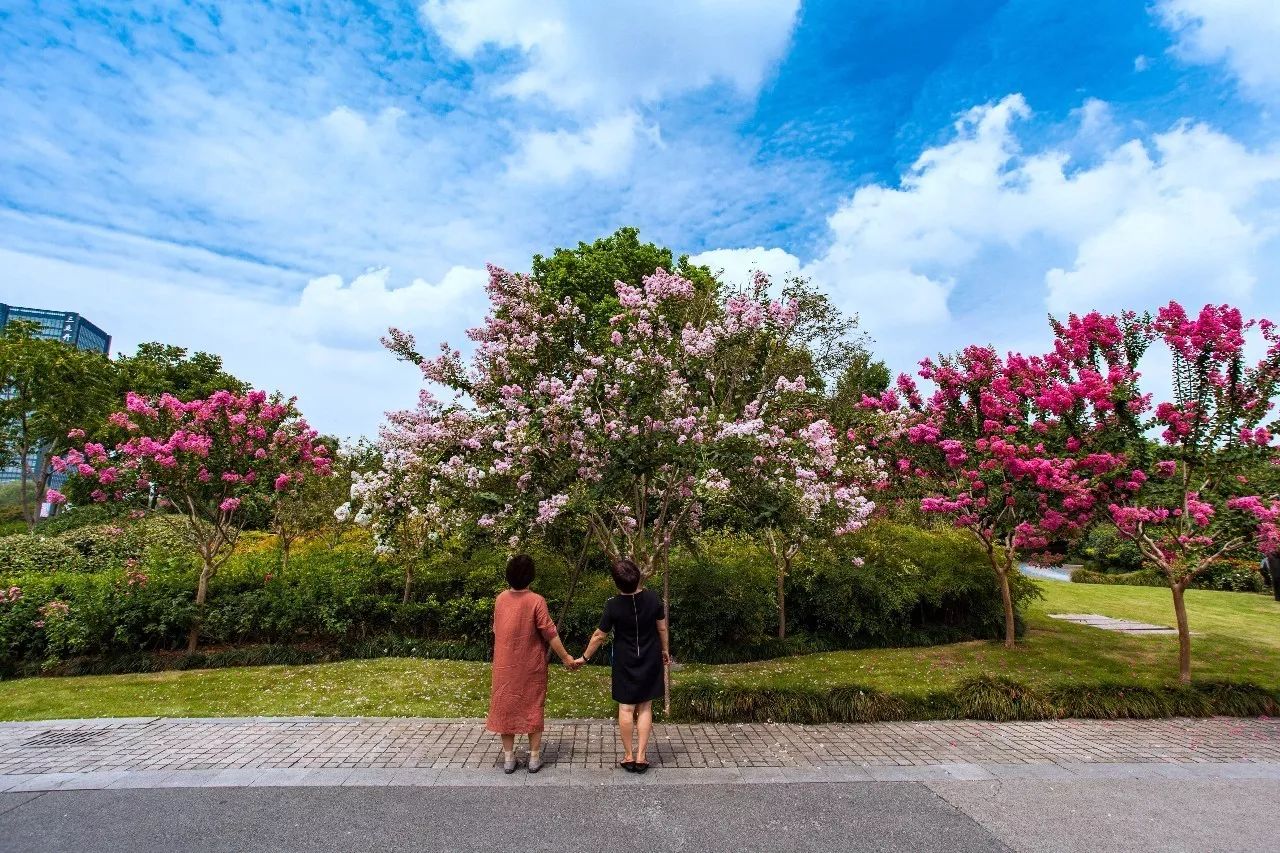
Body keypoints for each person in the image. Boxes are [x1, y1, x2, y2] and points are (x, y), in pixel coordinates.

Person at [486, 554, 579, 773]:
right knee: (533, 706)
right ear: (531, 577)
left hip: (504, 664)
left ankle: (509, 758)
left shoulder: (500, 599)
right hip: (530, 665)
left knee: (505, 705)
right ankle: (534, 758)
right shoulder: (536, 600)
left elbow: (497, 629)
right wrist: (566, 657)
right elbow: (550, 633)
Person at [576, 558, 670, 774]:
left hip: (624, 660)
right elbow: (662, 629)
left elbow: (600, 635)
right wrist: (665, 650)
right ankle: (642, 756)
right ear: (638, 576)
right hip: (649, 657)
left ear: (616, 583)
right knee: (645, 706)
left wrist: (584, 658)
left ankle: (628, 756)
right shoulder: (653, 598)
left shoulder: (613, 605)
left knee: (626, 708)